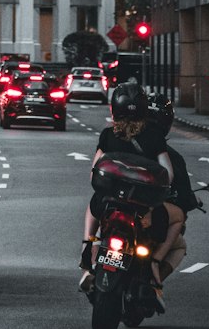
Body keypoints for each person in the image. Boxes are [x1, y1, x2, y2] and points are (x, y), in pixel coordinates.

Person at [78, 81, 184, 305]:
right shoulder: (154, 136)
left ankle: (88, 250)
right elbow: (168, 174)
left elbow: (94, 173)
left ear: (114, 109)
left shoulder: (108, 135)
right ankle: (154, 262)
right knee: (178, 218)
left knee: (92, 208)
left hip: (109, 203)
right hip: (143, 208)